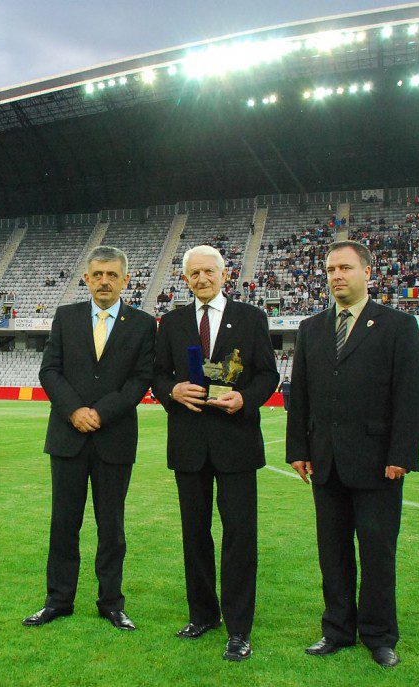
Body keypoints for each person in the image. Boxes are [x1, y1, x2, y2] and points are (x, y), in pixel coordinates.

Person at [286, 240, 419, 669]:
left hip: (378, 463)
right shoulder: (311, 327)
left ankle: (380, 635)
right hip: (325, 461)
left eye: (345, 268)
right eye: (330, 269)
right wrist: (298, 450)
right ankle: (337, 630)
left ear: (368, 271)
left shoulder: (398, 325)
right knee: (333, 551)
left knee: (377, 551)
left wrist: (401, 453)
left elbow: (410, 396)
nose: (336, 276)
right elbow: (301, 395)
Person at [151, 245, 279, 662]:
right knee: (195, 535)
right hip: (188, 443)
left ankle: (239, 628)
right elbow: (156, 374)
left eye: (209, 271)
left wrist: (245, 398)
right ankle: (202, 614)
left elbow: (268, 374)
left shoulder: (251, 317)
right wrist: (171, 390)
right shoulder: (171, 322)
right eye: (194, 273)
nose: (202, 279)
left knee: (240, 537)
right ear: (184, 279)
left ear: (225, 275)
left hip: (236, 442)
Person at [24, 246, 157, 632]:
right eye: (97, 274)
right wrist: (74, 411)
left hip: (114, 438)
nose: (104, 281)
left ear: (125, 280)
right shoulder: (66, 317)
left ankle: (111, 602)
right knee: (64, 523)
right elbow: (49, 371)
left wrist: (100, 413)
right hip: (68, 436)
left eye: (112, 275)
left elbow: (140, 380)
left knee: (111, 526)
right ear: (86, 278)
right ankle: (58, 600)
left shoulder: (143, 323)